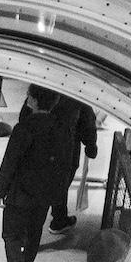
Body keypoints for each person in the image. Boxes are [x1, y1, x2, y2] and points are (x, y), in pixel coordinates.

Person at [0, 89, 84, 262]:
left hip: (20, 194)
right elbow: (66, 164)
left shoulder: (24, 128)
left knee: (12, 234)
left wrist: (1, 191)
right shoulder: (63, 130)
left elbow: (10, 162)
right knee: (34, 232)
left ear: (34, 101)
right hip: (44, 195)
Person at [50, 100, 99, 233]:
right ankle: (59, 220)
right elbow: (87, 122)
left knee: (42, 181)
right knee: (61, 183)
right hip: (67, 148)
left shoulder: (46, 86)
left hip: (42, 145)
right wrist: (91, 146)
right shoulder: (78, 94)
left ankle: (31, 225)